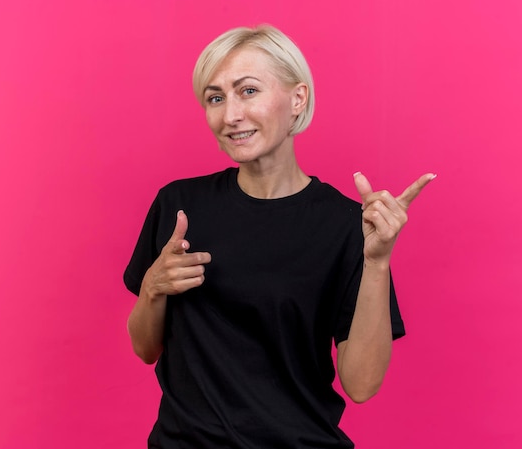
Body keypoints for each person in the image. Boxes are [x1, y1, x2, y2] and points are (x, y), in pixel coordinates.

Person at [123, 24, 435, 449]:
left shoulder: (346, 225)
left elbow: (361, 385)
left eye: (248, 91)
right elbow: (146, 349)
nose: (230, 115)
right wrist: (153, 289)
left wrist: (377, 262)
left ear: (297, 99)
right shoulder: (179, 205)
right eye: (215, 98)